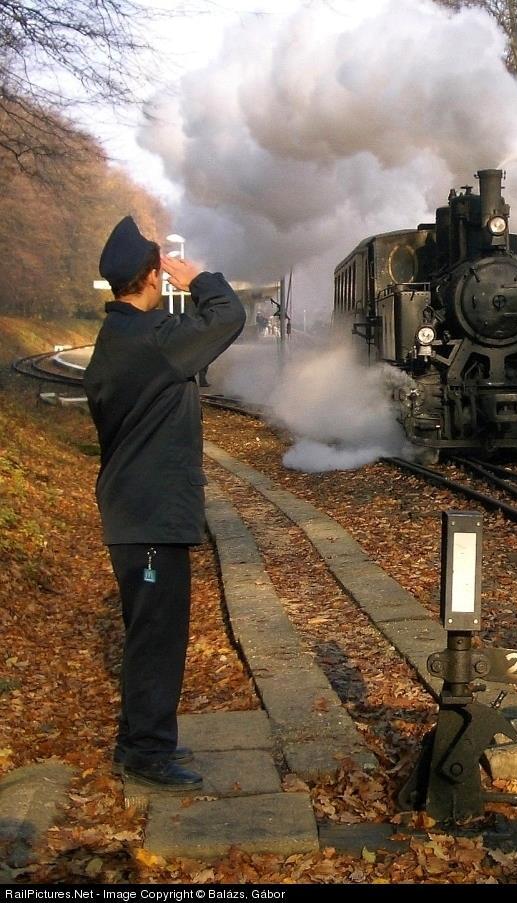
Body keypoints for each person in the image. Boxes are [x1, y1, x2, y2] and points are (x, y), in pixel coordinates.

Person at [84, 216, 246, 790]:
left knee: (147, 631)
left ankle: (137, 741)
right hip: (151, 515)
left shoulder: (119, 338)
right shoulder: (154, 342)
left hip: (134, 509)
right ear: (153, 276)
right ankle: (148, 753)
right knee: (158, 637)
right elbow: (228, 316)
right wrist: (199, 278)